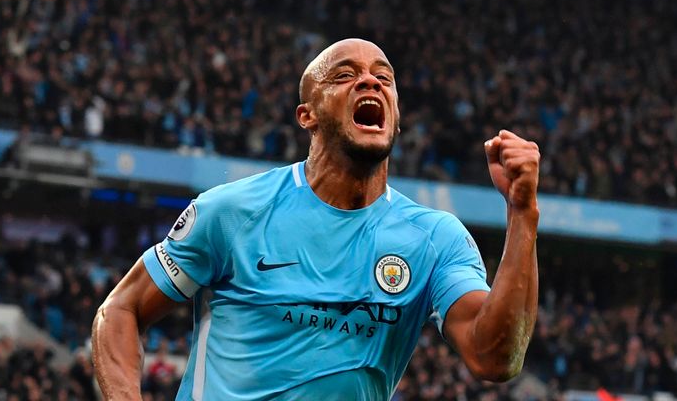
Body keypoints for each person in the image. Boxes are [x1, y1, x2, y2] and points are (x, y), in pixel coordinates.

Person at [92, 38, 541, 400]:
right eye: (346, 75)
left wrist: (522, 213)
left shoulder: (433, 239)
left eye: (384, 77)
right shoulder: (233, 212)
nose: (370, 82)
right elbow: (121, 309)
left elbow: (495, 359)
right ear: (307, 115)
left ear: (396, 119)